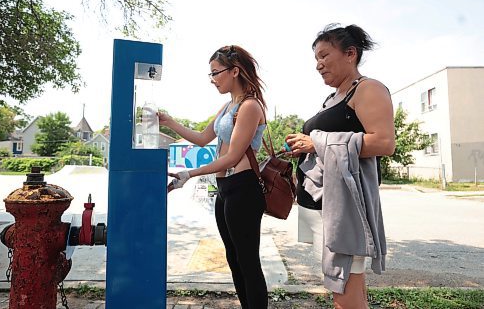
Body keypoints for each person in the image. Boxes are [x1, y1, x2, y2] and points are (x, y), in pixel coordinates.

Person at [284, 24, 395, 309]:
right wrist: (302, 147)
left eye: (324, 56)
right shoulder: (332, 98)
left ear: (350, 53)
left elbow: (384, 143)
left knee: (344, 290)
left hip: (343, 206)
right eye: (316, 60)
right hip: (321, 203)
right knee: (344, 286)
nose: (319, 65)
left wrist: (315, 142)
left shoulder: (367, 88)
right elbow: (329, 144)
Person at [160, 45, 268, 309]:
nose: (212, 80)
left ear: (235, 71)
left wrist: (189, 174)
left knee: (248, 261)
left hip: (244, 188)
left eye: (215, 73)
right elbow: (202, 139)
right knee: (234, 258)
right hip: (226, 187)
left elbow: (232, 157)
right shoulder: (227, 106)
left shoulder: (250, 106)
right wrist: (169, 121)